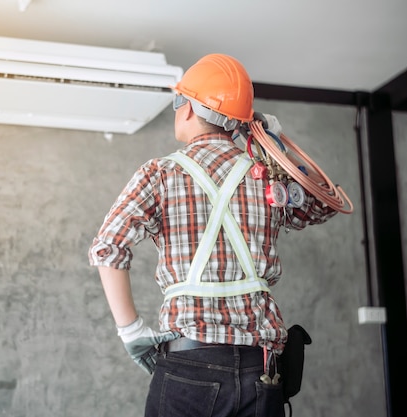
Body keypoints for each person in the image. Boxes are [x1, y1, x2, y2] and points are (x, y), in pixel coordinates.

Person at [88, 53, 337, 417]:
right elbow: (323, 204)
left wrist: (131, 332)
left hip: (188, 365)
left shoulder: (160, 173)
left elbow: (108, 248)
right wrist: (278, 144)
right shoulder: (269, 177)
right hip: (261, 370)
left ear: (187, 108)